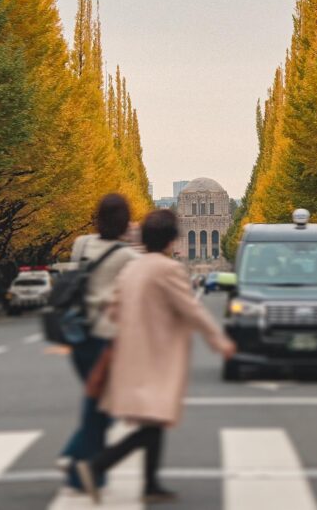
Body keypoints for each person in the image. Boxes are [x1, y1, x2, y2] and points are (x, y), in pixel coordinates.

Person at [76, 209, 236, 503]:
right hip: (156, 353)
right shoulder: (168, 269)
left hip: (129, 350)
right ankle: (98, 464)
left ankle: (150, 483)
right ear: (171, 240)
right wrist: (218, 340)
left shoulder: (133, 267)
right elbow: (191, 308)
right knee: (156, 418)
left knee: (154, 418)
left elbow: (114, 308)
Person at [60, 194, 140, 492]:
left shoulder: (81, 244)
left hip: (79, 334)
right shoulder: (129, 257)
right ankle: (79, 465)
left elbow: (75, 279)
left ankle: (79, 460)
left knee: (96, 404)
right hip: (108, 341)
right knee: (103, 407)